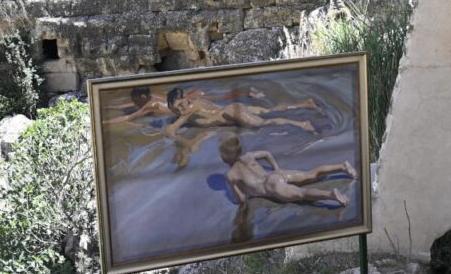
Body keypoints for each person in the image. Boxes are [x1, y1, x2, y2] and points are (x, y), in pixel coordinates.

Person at [218, 133, 356, 207]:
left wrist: (247, 195)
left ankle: (330, 195)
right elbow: (266, 153)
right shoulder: (248, 156)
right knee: (310, 174)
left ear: (224, 157)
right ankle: (343, 167)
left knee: (302, 194)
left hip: (271, 187)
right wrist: (276, 169)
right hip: (276, 174)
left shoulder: (231, 175)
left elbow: (241, 200)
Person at [164, 87, 318, 141]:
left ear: (185, 99)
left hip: (230, 112)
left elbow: (172, 129)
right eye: (177, 110)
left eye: (180, 105)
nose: (181, 110)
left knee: (262, 124)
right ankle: (305, 104)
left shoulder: (190, 110)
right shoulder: (197, 102)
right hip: (235, 108)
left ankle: (302, 124)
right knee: (271, 111)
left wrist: (185, 141)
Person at [103, 85, 266, 125]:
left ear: (143, 97)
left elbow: (129, 116)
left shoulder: (149, 105)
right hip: (191, 95)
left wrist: (106, 122)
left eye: (136, 100)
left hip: (183, 107)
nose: (134, 103)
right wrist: (111, 107)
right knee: (221, 97)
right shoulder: (152, 96)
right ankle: (247, 92)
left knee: (219, 105)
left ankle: (245, 95)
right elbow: (128, 105)